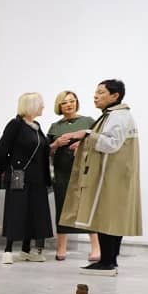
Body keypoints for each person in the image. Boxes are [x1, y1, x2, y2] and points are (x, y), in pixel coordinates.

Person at [57, 79, 141, 276]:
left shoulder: (117, 116)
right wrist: (86, 141)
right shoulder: (115, 115)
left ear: (115, 96)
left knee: (106, 218)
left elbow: (111, 144)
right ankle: (109, 261)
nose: (95, 96)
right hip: (114, 176)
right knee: (112, 219)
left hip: (111, 178)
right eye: (96, 92)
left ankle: (107, 263)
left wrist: (86, 134)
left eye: (101, 92)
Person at [0, 92, 53, 263]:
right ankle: (8, 250)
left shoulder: (36, 126)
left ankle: (26, 250)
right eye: (40, 103)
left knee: (34, 213)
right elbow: (1, 150)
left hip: (38, 178)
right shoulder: (15, 125)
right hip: (20, 177)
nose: (43, 107)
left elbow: (42, 150)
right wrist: (8, 170)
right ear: (31, 105)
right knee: (16, 211)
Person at [47, 91, 101, 262]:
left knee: (87, 207)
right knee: (62, 208)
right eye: (64, 102)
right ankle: (61, 247)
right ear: (59, 106)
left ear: (77, 103)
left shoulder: (88, 121)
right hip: (62, 172)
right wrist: (56, 144)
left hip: (84, 172)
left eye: (72, 101)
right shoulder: (55, 127)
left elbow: (99, 141)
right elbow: (47, 151)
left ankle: (96, 248)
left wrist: (83, 144)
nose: (69, 104)